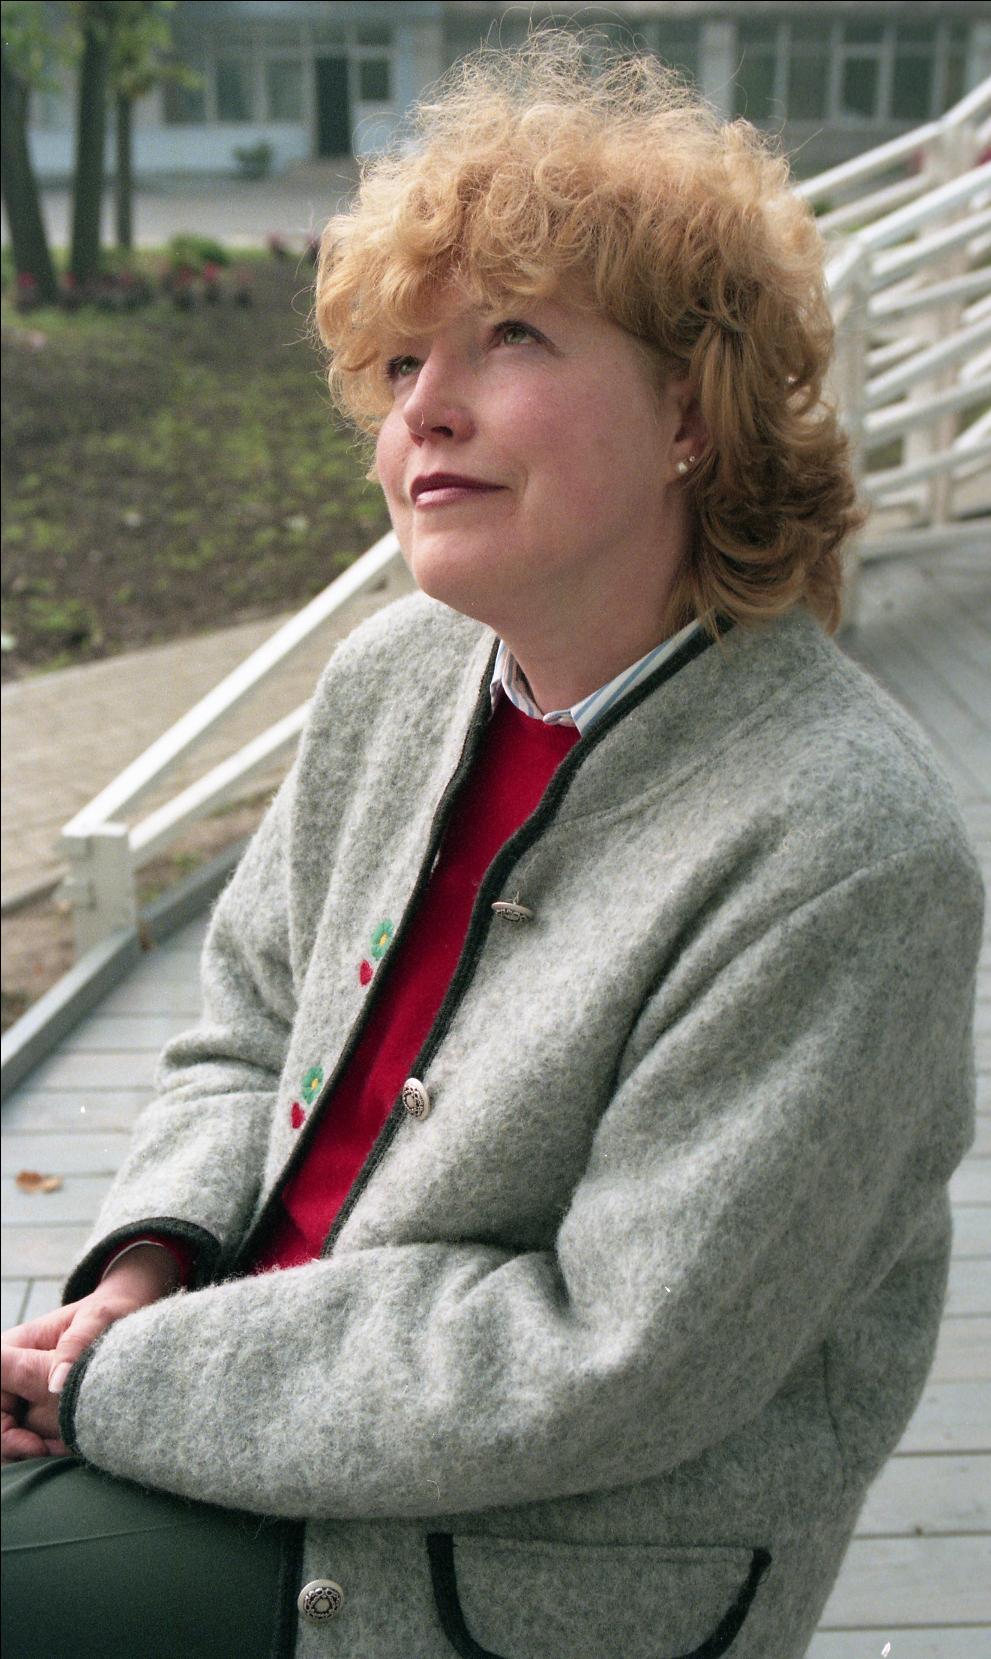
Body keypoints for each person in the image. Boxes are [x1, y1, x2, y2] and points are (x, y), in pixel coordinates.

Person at [2, 32, 983, 1659]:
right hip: (214, 1408)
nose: (425, 411)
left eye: (510, 336)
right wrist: (142, 1278)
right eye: (401, 364)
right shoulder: (397, 677)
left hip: (488, 1568)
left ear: (692, 408)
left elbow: (608, 1355)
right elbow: (241, 1028)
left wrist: (120, 1383)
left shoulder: (846, 850)